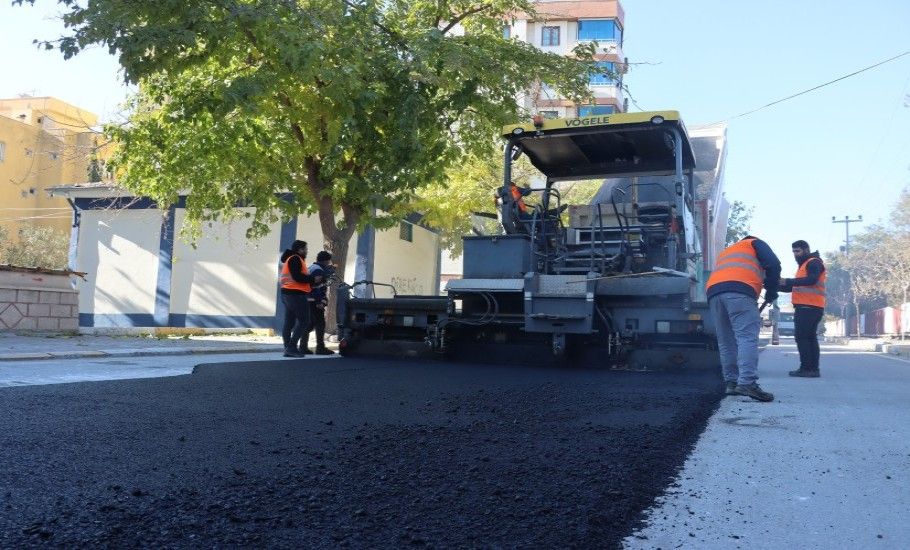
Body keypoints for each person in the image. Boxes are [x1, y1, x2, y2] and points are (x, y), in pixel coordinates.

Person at [706, 235, 782, 402]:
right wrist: (771, 290)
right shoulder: (755, 243)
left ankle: (731, 383)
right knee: (746, 337)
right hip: (740, 291)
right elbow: (774, 264)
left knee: (726, 341)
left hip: (714, 293)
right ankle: (747, 383)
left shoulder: (728, 251)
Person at [778, 240, 826, 378]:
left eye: (797, 251)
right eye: (793, 251)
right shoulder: (804, 266)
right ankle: (812, 369)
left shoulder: (813, 262)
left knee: (802, 337)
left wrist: (788, 281)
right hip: (810, 306)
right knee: (809, 338)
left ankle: (807, 368)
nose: (795, 254)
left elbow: (812, 280)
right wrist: (776, 285)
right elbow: (794, 286)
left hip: (808, 307)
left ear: (806, 250)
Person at [279, 240, 322, 358]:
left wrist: (313, 283)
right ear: (300, 249)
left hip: (288, 293)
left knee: (289, 322)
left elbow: (298, 278)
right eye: (305, 249)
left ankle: (288, 348)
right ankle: (291, 347)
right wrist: (313, 279)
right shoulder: (295, 259)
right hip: (295, 294)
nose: (307, 251)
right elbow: (297, 277)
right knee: (304, 321)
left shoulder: (291, 259)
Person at [303, 251, 336, 355]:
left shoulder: (312, 267)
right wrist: (319, 302)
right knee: (320, 324)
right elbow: (316, 288)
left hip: (308, 301)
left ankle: (303, 347)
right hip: (314, 302)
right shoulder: (318, 271)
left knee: (310, 324)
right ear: (327, 261)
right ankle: (320, 348)